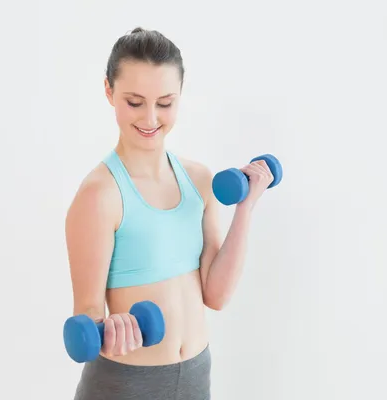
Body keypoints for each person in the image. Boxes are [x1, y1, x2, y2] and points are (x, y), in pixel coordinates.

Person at [65, 27, 274, 400]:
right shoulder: (100, 195)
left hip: (195, 374)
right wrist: (112, 331)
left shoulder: (200, 181)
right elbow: (89, 318)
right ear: (109, 91)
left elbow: (216, 295)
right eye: (134, 101)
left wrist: (247, 207)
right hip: (125, 384)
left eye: (164, 102)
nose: (150, 118)